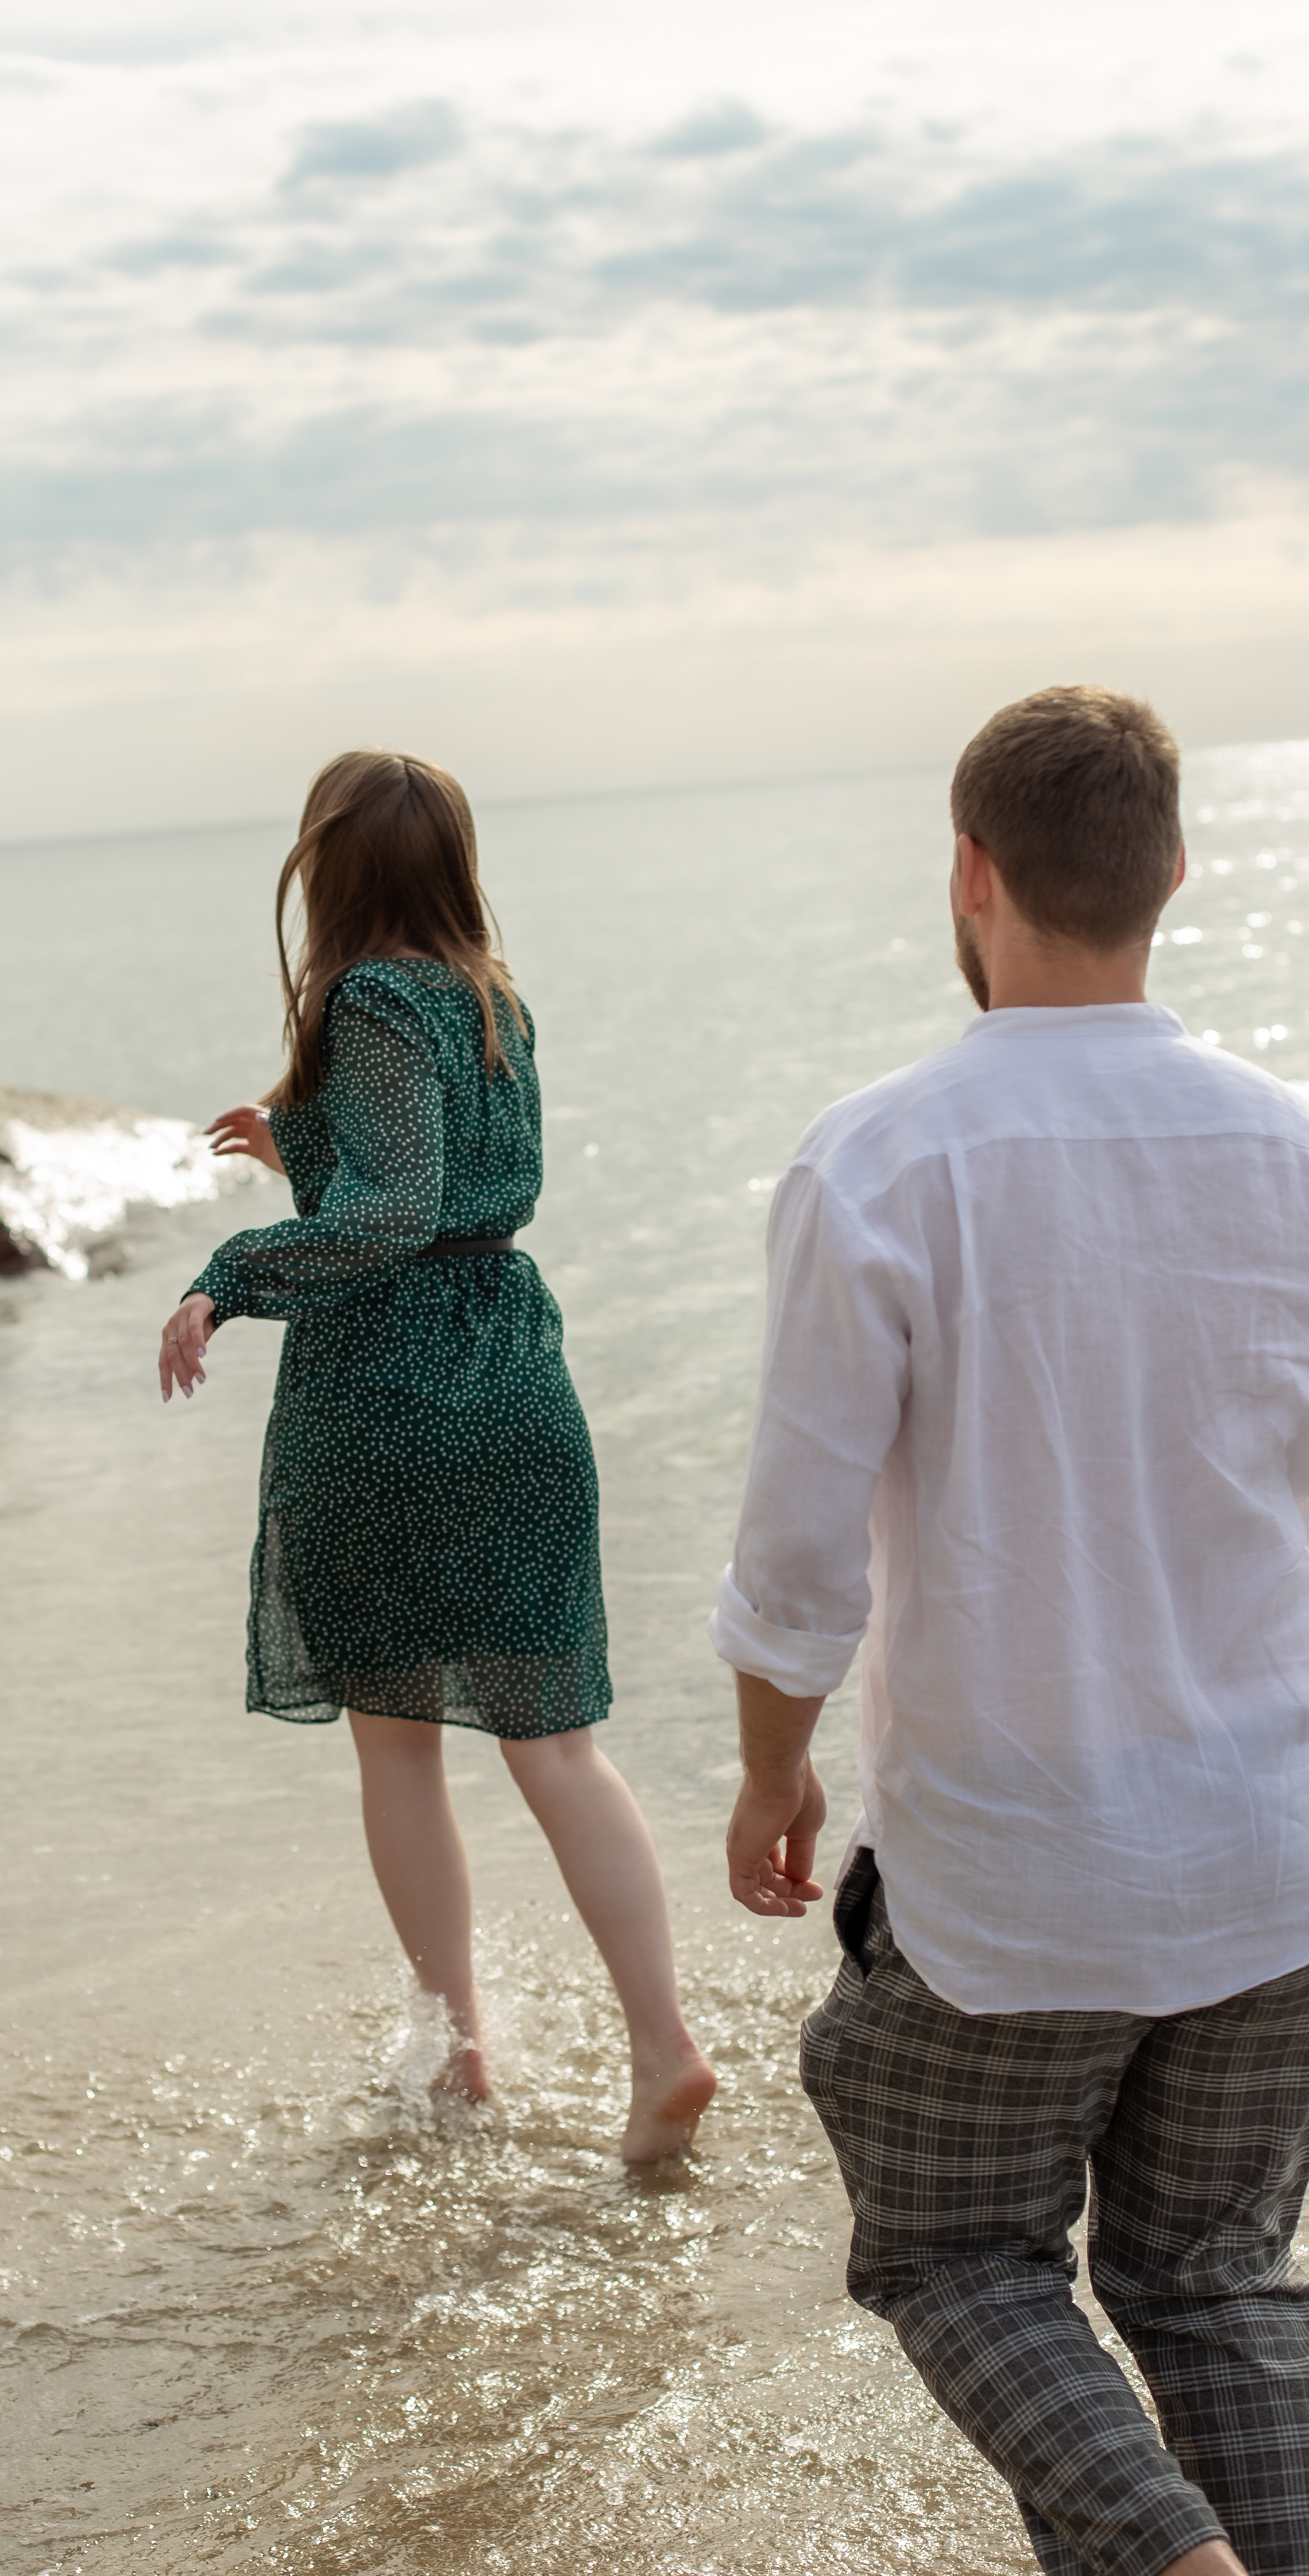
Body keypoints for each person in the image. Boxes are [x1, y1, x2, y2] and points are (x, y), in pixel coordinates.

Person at [711, 685, 1309, 2576]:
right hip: (1272, 1854)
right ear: (1175, 876)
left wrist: (769, 1776)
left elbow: (800, 1549)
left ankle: (1180, 2558)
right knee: (1206, 2276)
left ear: (972, 874)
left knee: (956, 2247)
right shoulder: (1289, 1151)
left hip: (1014, 1873)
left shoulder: (883, 1159)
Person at [158, 749, 714, 2162]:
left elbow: (395, 1211)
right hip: (516, 1369)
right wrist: (298, 1145)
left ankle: (457, 2055)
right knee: (559, 1747)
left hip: (392, 1394)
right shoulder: (489, 993)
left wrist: (228, 1273)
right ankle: (663, 2045)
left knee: (396, 1743)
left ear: (327, 867)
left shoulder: (364, 995)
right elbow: (451, 1188)